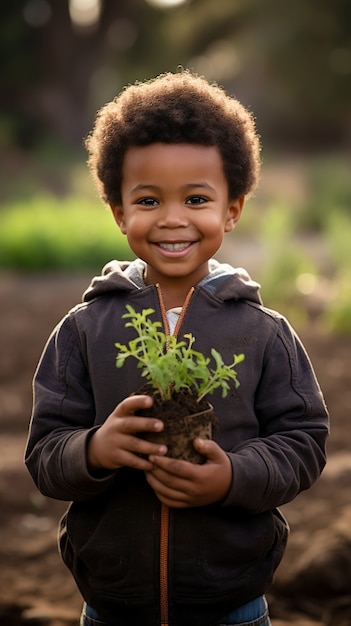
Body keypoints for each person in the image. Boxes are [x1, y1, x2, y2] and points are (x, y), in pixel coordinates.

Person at [25, 70, 329, 626]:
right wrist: (94, 449)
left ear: (232, 210)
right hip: (113, 602)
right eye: (147, 199)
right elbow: (45, 453)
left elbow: (304, 443)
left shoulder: (264, 332)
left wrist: (233, 477)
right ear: (119, 212)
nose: (172, 218)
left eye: (196, 198)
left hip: (232, 603)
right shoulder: (84, 329)